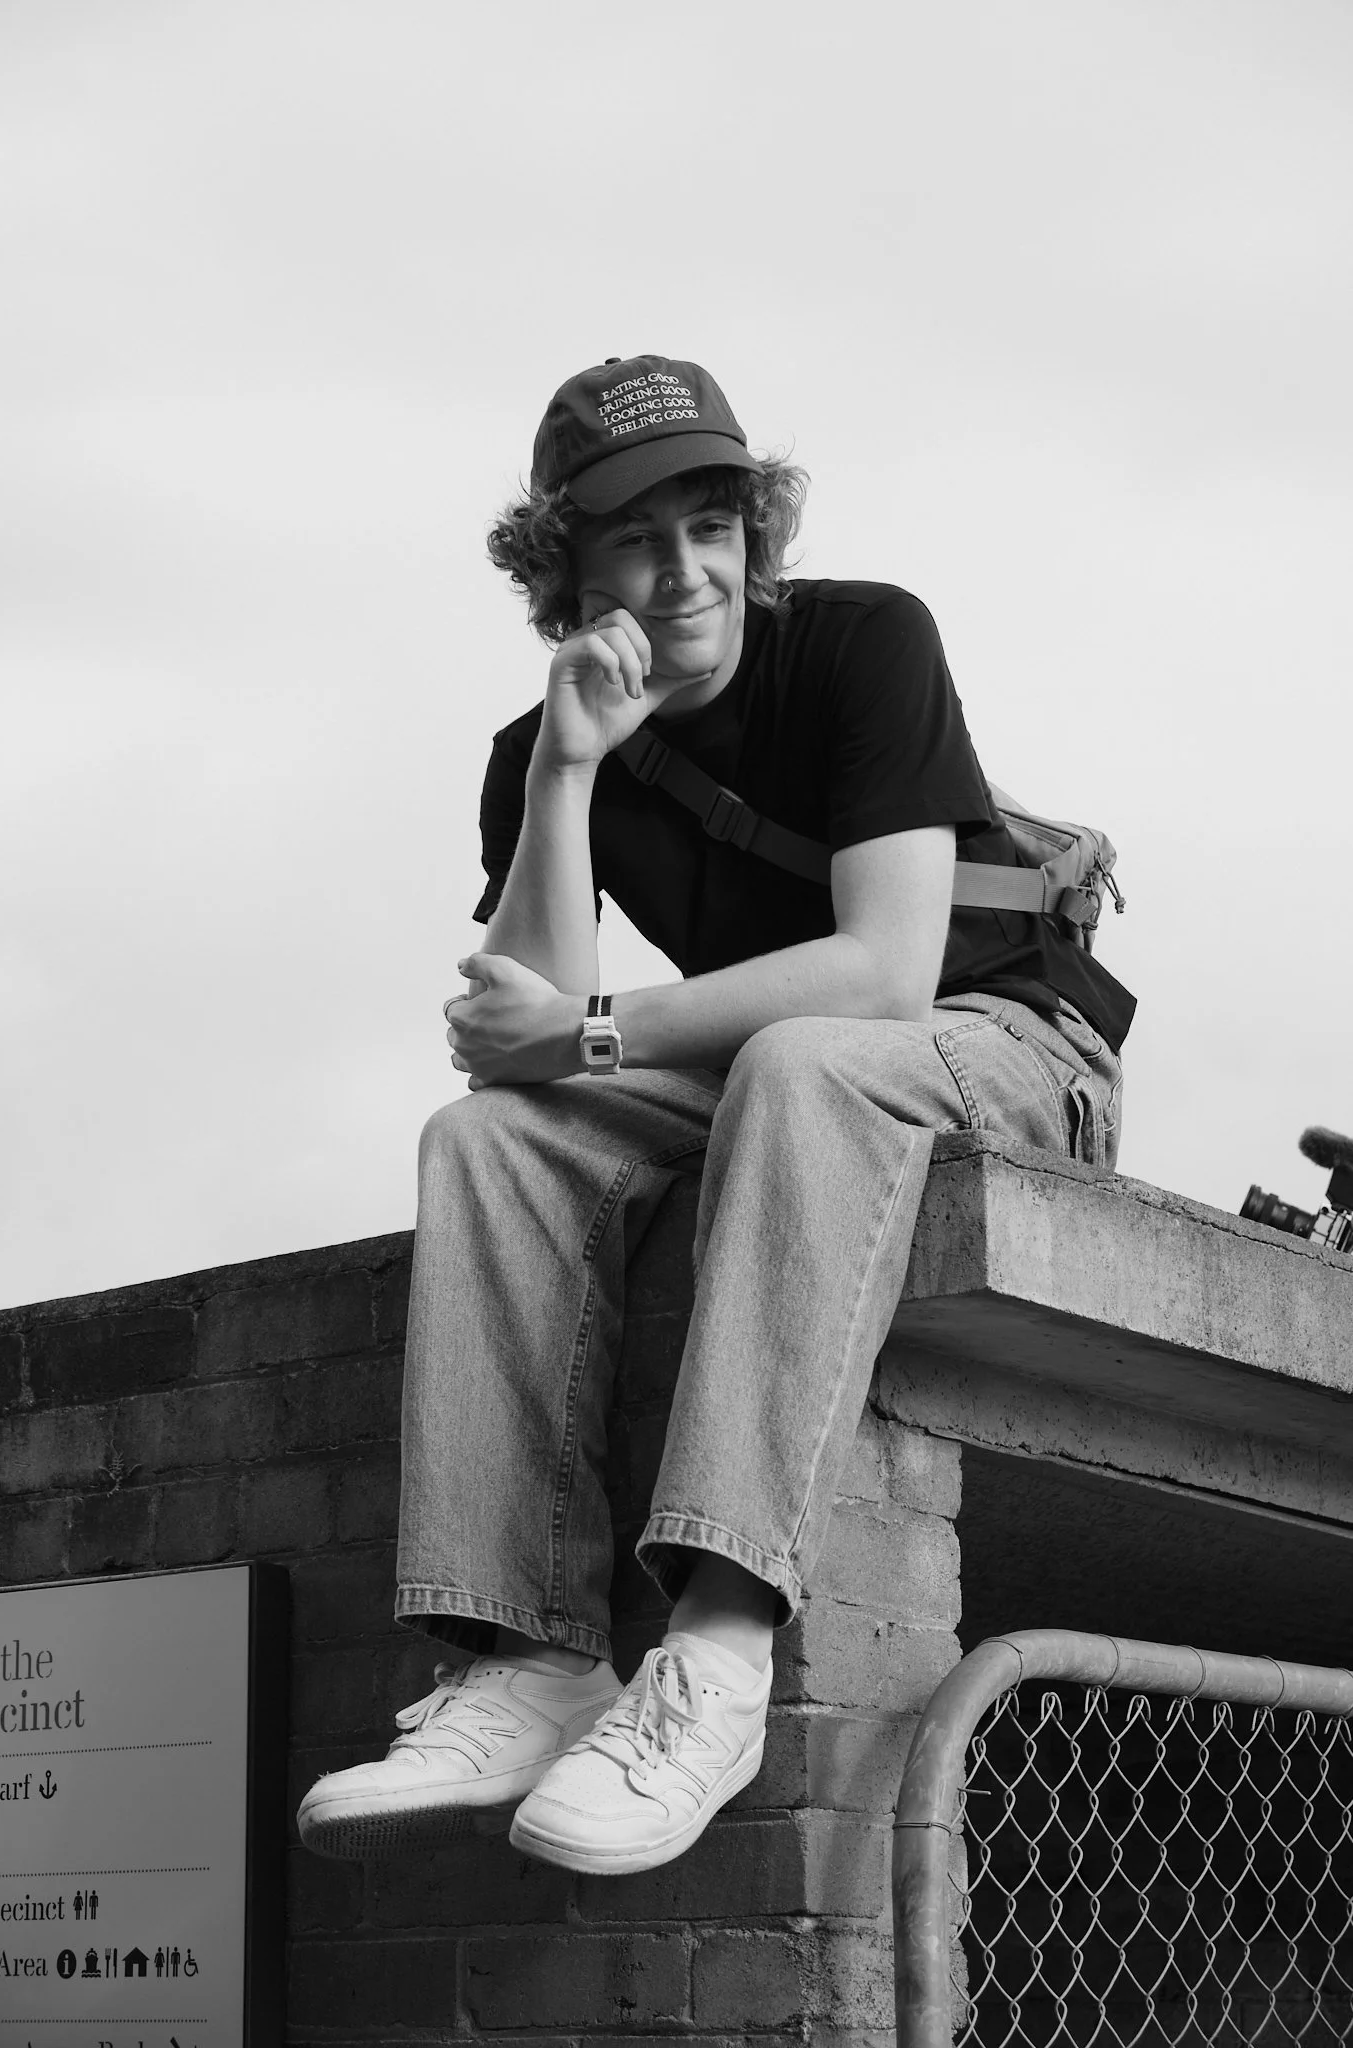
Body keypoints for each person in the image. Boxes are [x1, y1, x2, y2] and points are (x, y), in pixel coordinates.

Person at [296, 354, 1133, 1877]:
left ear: (757, 531)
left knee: (805, 1059)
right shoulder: (541, 746)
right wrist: (567, 771)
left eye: (713, 525)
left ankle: (719, 1650)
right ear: (567, 573)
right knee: (485, 1144)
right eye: (636, 538)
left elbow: (883, 974)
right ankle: (531, 1662)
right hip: (771, 1059)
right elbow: (521, 1056)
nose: (686, 572)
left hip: (1007, 1042)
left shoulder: (866, 640)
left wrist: (586, 1030)